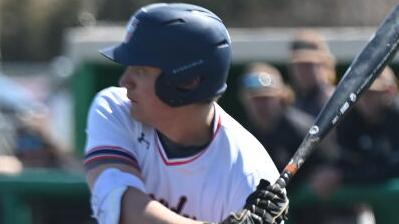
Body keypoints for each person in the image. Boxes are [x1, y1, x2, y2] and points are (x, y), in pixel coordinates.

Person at [83, 3, 288, 224]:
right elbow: (122, 208)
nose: (125, 81)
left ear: (187, 81)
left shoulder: (250, 173)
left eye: (140, 71)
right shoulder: (115, 109)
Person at [288, 29, 336, 117]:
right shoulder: (290, 103)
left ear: (324, 64)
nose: (303, 71)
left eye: (309, 65)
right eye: (299, 65)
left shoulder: (335, 101)